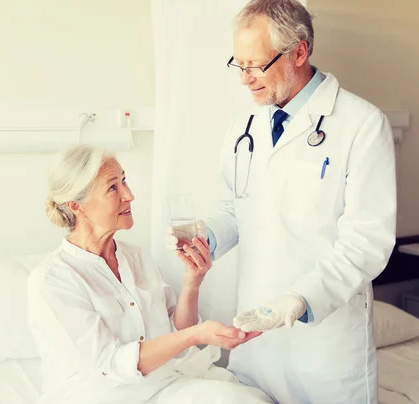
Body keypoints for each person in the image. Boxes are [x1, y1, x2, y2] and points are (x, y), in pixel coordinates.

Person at [165, 0, 396, 403]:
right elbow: (233, 209)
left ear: (299, 52)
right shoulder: (243, 129)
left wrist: (302, 298)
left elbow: (367, 242)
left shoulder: (360, 124)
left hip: (325, 342)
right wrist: (205, 238)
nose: (245, 79)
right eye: (239, 64)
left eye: (255, 65)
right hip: (256, 338)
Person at [27, 145, 274, 404]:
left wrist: (192, 282)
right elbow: (109, 364)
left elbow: (179, 332)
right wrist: (196, 334)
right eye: (113, 187)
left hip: (163, 386)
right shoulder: (52, 281)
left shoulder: (138, 258)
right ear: (77, 206)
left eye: (124, 181)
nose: (129, 195)